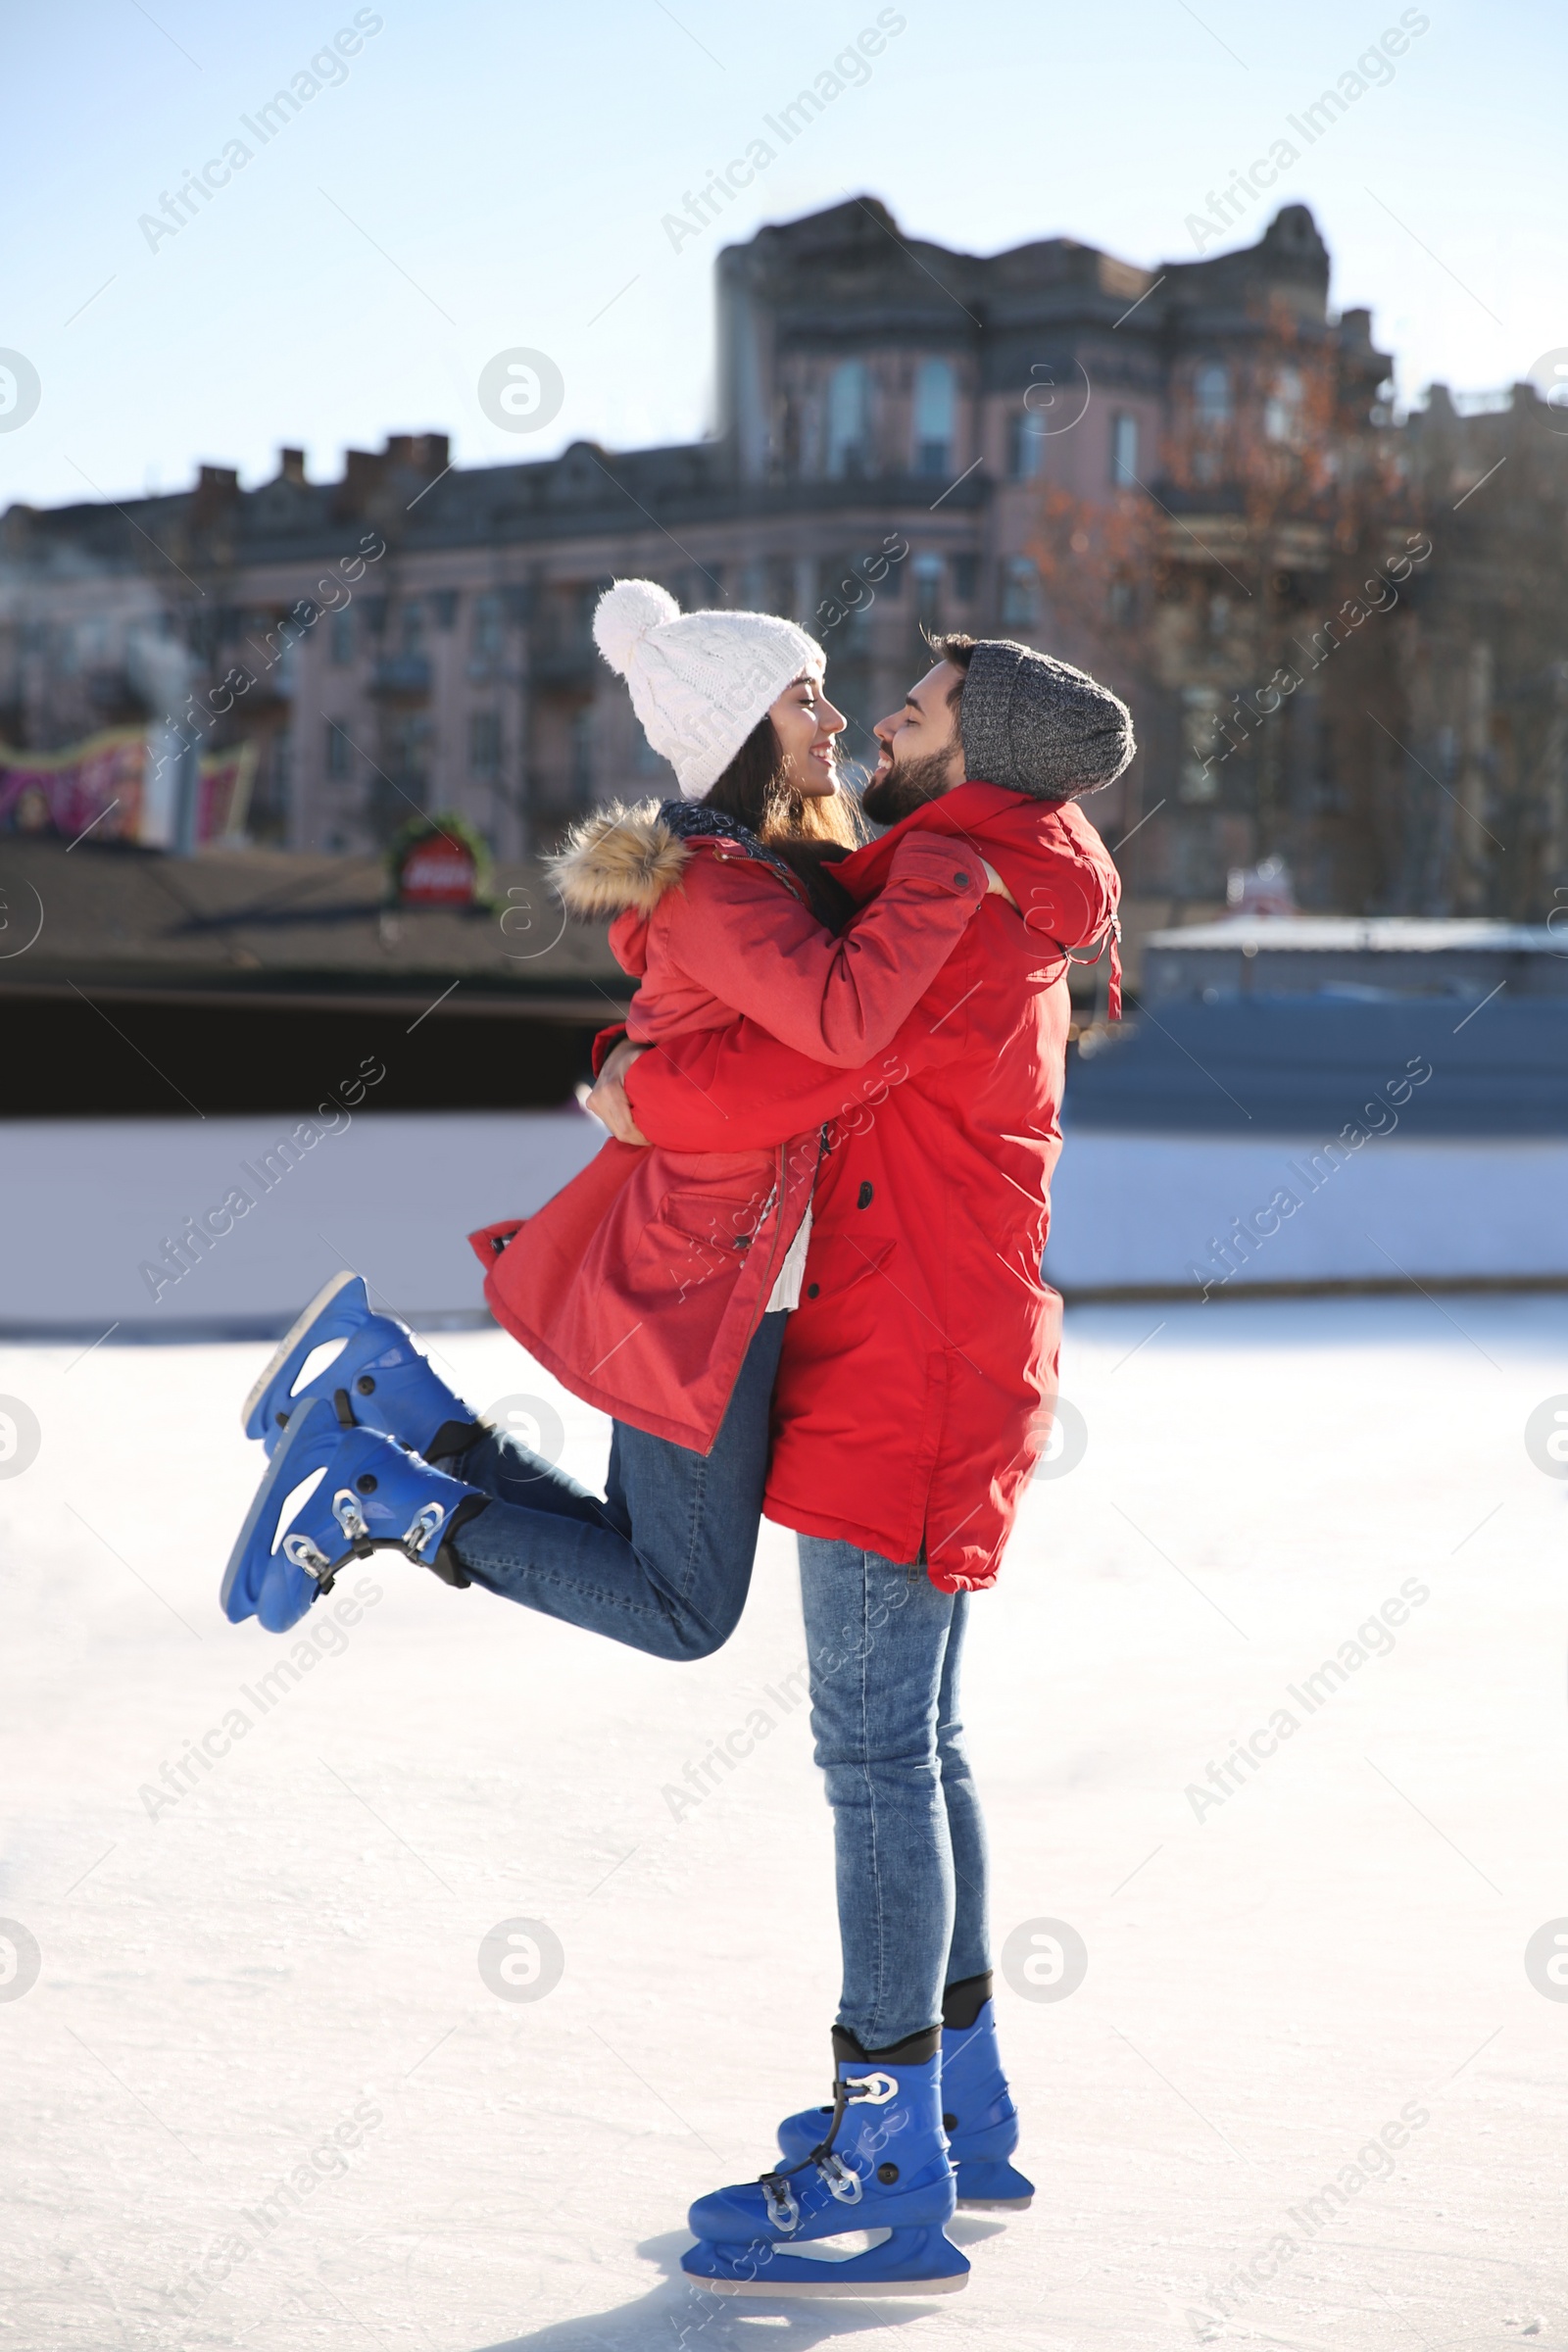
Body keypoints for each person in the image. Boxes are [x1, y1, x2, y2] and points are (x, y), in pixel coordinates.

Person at [589, 630, 1129, 2296]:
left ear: (977, 753)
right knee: (920, 1740)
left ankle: (887, 2152)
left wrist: (636, 1090)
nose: (883, 719)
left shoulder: (957, 886)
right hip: (929, 1348)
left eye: (918, 707)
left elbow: (819, 1058)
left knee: (876, 1757)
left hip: (910, 1362)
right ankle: (962, 2102)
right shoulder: (978, 870)